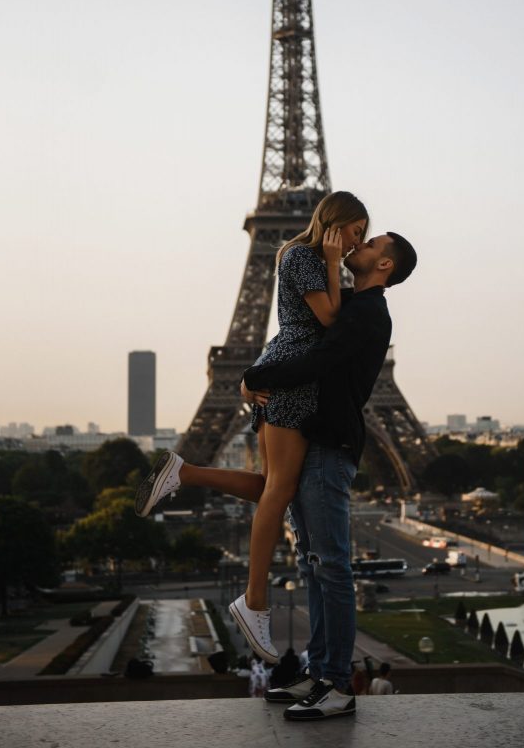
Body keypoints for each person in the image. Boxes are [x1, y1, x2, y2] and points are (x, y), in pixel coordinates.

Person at [134, 191, 368, 665]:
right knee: (279, 491)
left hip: (287, 374)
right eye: (354, 232)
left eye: (362, 237)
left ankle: (185, 473)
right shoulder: (305, 256)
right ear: (332, 223)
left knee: (272, 487)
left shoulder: (303, 258)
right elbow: (329, 321)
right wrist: (329, 263)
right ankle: (255, 599)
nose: (354, 243)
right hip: (292, 380)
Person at [245, 230, 417, 720]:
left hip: (326, 445)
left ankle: (337, 683)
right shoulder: (353, 308)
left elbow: (319, 360)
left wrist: (256, 376)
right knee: (313, 566)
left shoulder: (364, 312)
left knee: (331, 567)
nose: (358, 246)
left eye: (370, 244)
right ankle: (321, 675)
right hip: (314, 438)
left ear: (383, 266)